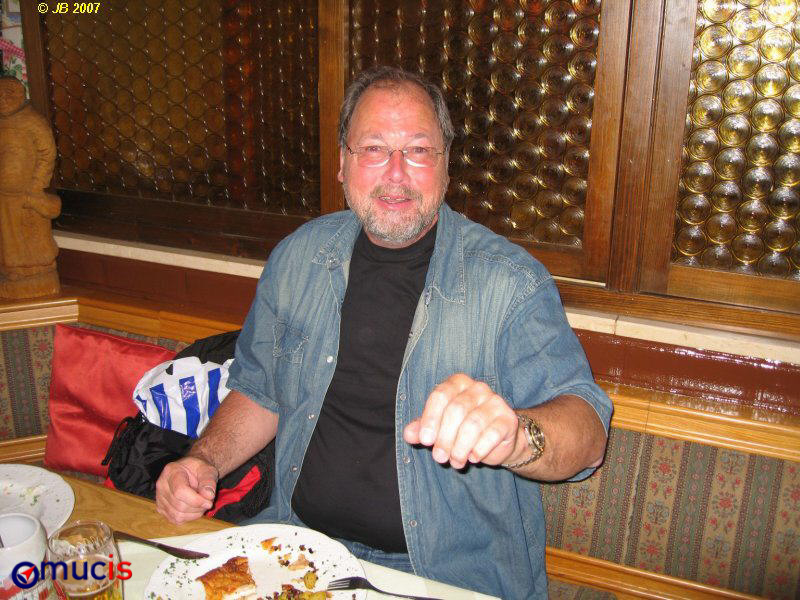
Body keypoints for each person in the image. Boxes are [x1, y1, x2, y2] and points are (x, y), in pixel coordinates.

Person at [156, 66, 612, 599]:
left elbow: (589, 435)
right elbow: (260, 392)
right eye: (374, 149)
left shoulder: (510, 283)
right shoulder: (298, 259)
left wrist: (515, 437)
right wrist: (203, 460)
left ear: (445, 165)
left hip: (443, 578)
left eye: (417, 150)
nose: (396, 174)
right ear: (343, 163)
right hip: (297, 550)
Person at [0, 76, 60, 299]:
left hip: (28, 193)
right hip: (4, 195)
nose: (3, 99)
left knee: (32, 233)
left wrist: (37, 185)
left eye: (9, 94)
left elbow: (47, 153)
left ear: (21, 95)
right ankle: (12, 272)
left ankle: (37, 271)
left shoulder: (32, 121)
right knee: (8, 236)